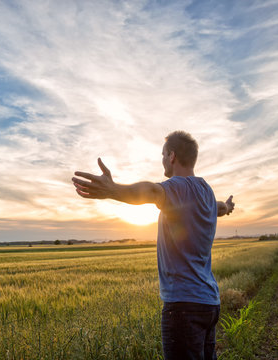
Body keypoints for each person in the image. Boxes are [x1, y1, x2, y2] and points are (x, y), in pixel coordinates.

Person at [71, 130, 235, 360]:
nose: (162, 160)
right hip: (210, 304)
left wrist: (113, 190)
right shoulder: (206, 191)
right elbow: (219, 208)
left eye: (163, 155)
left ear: (172, 157)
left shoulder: (176, 187)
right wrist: (227, 207)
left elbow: (152, 191)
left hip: (183, 306)